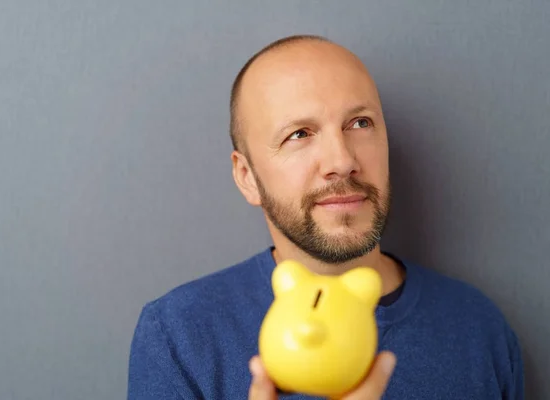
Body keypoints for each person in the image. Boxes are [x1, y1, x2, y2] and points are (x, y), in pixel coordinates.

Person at [127, 35, 524, 399]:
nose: (342, 161)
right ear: (247, 177)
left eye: (360, 123)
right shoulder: (178, 336)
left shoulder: (479, 327)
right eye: (299, 134)